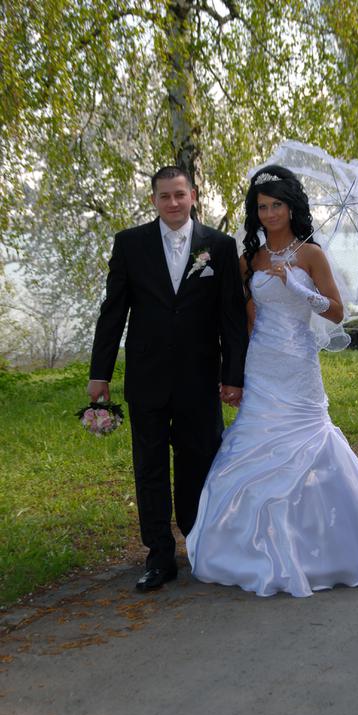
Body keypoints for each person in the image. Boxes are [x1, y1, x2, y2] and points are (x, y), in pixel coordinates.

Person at [186, 165, 358, 597]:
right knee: (250, 447)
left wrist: (299, 289)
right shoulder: (250, 260)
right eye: (263, 207)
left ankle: (330, 549)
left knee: (312, 444)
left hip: (298, 366)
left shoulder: (311, 254)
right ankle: (245, 550)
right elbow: (241, 322)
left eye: (277, 205)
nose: (270, 214)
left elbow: (336, 312)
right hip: (261, 366)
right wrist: (232, 373)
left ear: (292, 207)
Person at [88, 166, 249, 592]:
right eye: (165, 196)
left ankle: (199, 543)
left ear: (193, 195)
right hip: (148, 377)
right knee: (150, 468)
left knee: (199, 463)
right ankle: (159, 556)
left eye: (180, 194)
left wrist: (233, 375)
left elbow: (232, 318)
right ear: (154, 200)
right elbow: (113, 312)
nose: (173, 202)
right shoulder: (130, 244)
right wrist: (99, 373)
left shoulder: (220, 246)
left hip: (200, 378)